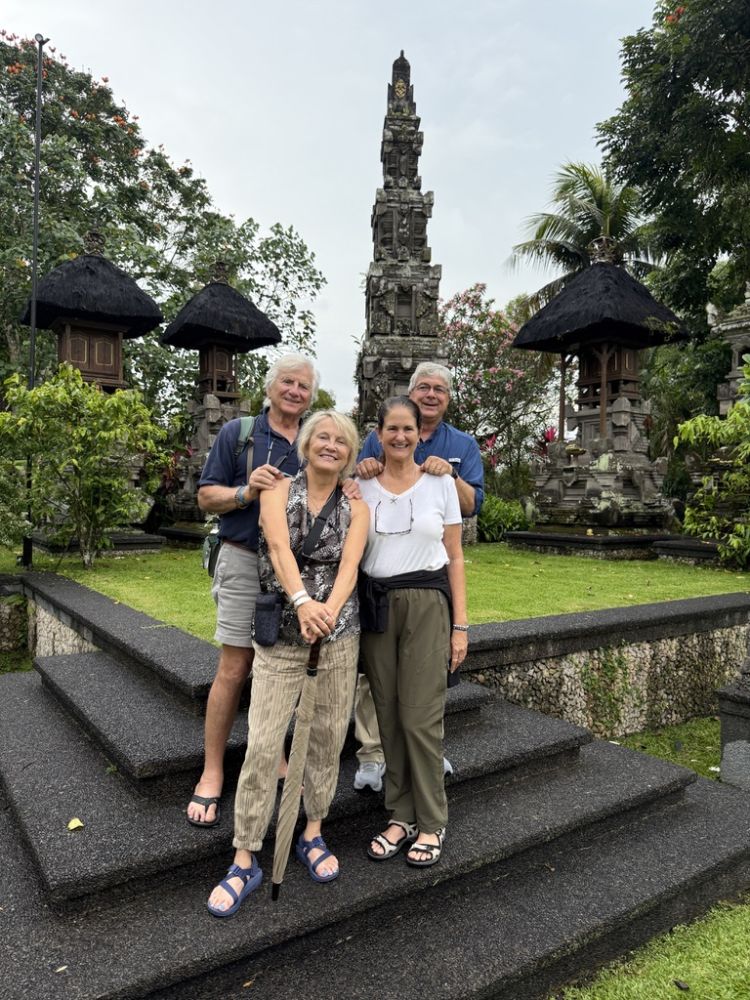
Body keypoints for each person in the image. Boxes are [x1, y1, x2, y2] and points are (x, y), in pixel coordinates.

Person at [207, 411, 368, 915]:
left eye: (340, 441)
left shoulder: (357, 505)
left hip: (337, 634)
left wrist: (327, 613)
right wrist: (302, 603)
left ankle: (313, 829)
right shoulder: (277, 489)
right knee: (263, 740)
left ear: (349, 453)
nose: (330, 445)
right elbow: (277, 547)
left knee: (325, 737)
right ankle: (246, 853)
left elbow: (349, 568)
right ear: (305, 444)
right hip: (281, 630)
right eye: (322, 436)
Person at [186, 353, 318, 827]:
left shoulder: (313, 440)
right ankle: (213, 769)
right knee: (235, 663)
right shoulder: (238, 434)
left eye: (304, 386)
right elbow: (206, 496)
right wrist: (245, 492)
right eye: (288, 382)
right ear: (270, 387)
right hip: (244, 557)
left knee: (280, 665)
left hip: (295, 567)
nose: (295, 391)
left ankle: (276, 753)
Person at [352, 362, 483, 791]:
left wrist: (452, 474)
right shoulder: (381, 432)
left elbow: (470, 505)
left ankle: (427, 751)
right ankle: (372, 753)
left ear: (447, 398)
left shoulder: (462, 443)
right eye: (423, 387)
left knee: (425, 676)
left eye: (439, 389)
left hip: (429, 575)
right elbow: (360, 479)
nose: (431, 394)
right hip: (379, 574)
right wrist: (366, 467)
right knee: (376, 676)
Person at [358, 395, 468, 869]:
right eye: (392, 430)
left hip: (427, 604)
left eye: (409, 429)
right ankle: (400, 814)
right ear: (378, 434)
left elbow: (456, 556)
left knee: (421, 715)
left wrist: (460, 625)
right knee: (387, 712)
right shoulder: (360, 487)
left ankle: (431, 820)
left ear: (418, 434)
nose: (400, 437)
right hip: (378, 607)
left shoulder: (439, 483)